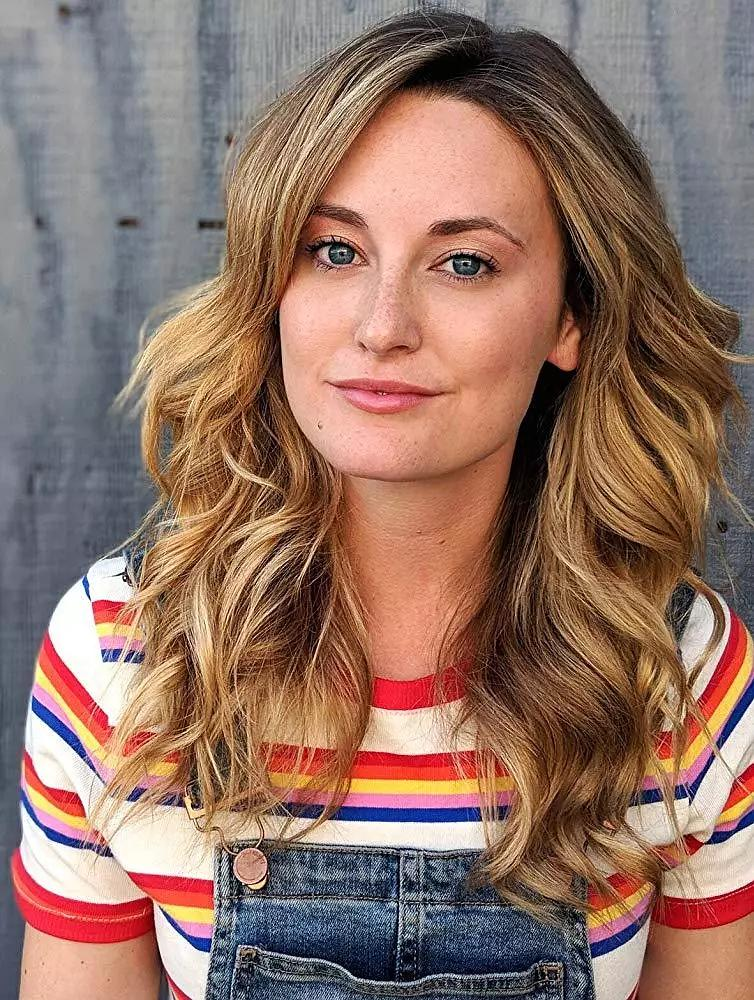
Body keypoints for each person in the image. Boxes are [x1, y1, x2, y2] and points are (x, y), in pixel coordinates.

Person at [11, 8, 754, 1000]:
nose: (382, 325)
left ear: (570, 316)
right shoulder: (124, 657)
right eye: (333, 250)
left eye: (464, 263)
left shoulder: (679, 678)